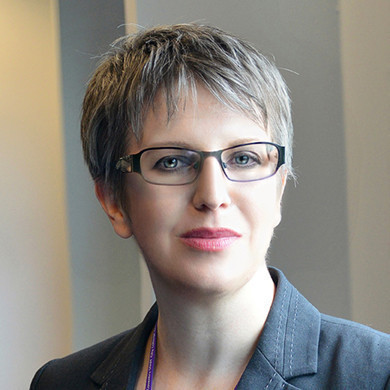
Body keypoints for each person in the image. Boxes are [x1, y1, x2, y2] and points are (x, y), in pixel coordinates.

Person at [30, 23, 390, 390]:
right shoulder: (59, 382)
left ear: (278, 189)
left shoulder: (377, 374)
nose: (213, 195)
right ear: (113, 201)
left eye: (244, 158)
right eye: (171, 161)